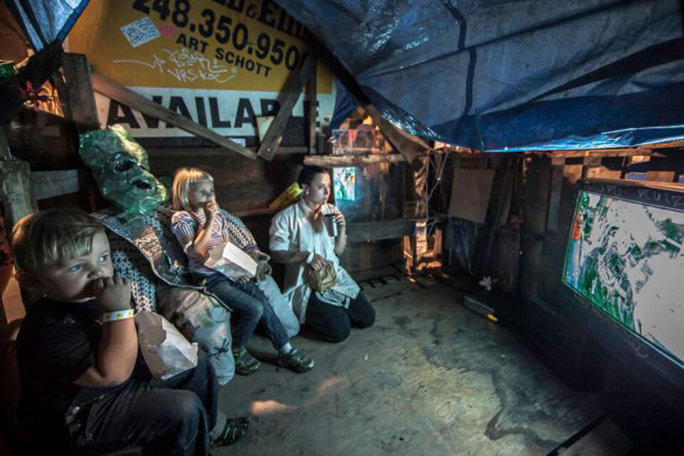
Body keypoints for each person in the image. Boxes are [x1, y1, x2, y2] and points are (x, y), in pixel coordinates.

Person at [11, 209, 248, 455]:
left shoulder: (95, 298)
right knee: (182, 410)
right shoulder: (48, 327)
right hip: (75, 419)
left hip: (109, 392)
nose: (98, 272)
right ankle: (189, 436)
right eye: (77, 267)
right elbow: (112, 375)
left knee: (194, 364)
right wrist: (118, 312)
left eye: (103, 258)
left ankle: (206, 431)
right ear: (32, 281)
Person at [170, 167, 314, 375]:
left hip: (226, 270)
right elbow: (195, 250)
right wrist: (209, 220)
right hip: (209, 277)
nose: (210, 196)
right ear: (185, 194)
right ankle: (237, 348)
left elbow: (226, 246)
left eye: (211, 191)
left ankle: (285, 350)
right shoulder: (182, 218)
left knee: (263, 300)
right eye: (202, 192)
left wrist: (240, 267)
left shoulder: (219, 216)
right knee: (254, 308)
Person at [269, 166, 376, 343]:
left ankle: (334, 310)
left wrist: (342, 229)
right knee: (340, 333)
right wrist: (307, 256)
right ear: (305, 188)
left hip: (333, 276)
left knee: (367, 318)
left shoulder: (330, 211)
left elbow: (338, 251)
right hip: (306, 284)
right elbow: (276, 254)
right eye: (321, 187)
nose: (327, 192)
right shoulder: (286, 218)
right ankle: (318, 315)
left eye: (329, 186)